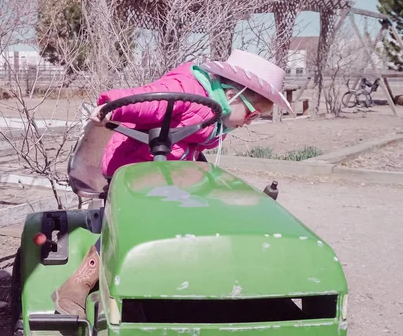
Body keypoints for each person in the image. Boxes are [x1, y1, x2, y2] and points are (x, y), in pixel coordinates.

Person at [51, 49, 293, 318]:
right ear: (233, 94)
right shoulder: (186, 88)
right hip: (134, 166)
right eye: (251, 115)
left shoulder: (216, 112)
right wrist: (113, 106)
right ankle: (77, 284)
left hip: (171, 170)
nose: (249, 123)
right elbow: (149, 102)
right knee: (133, 222)